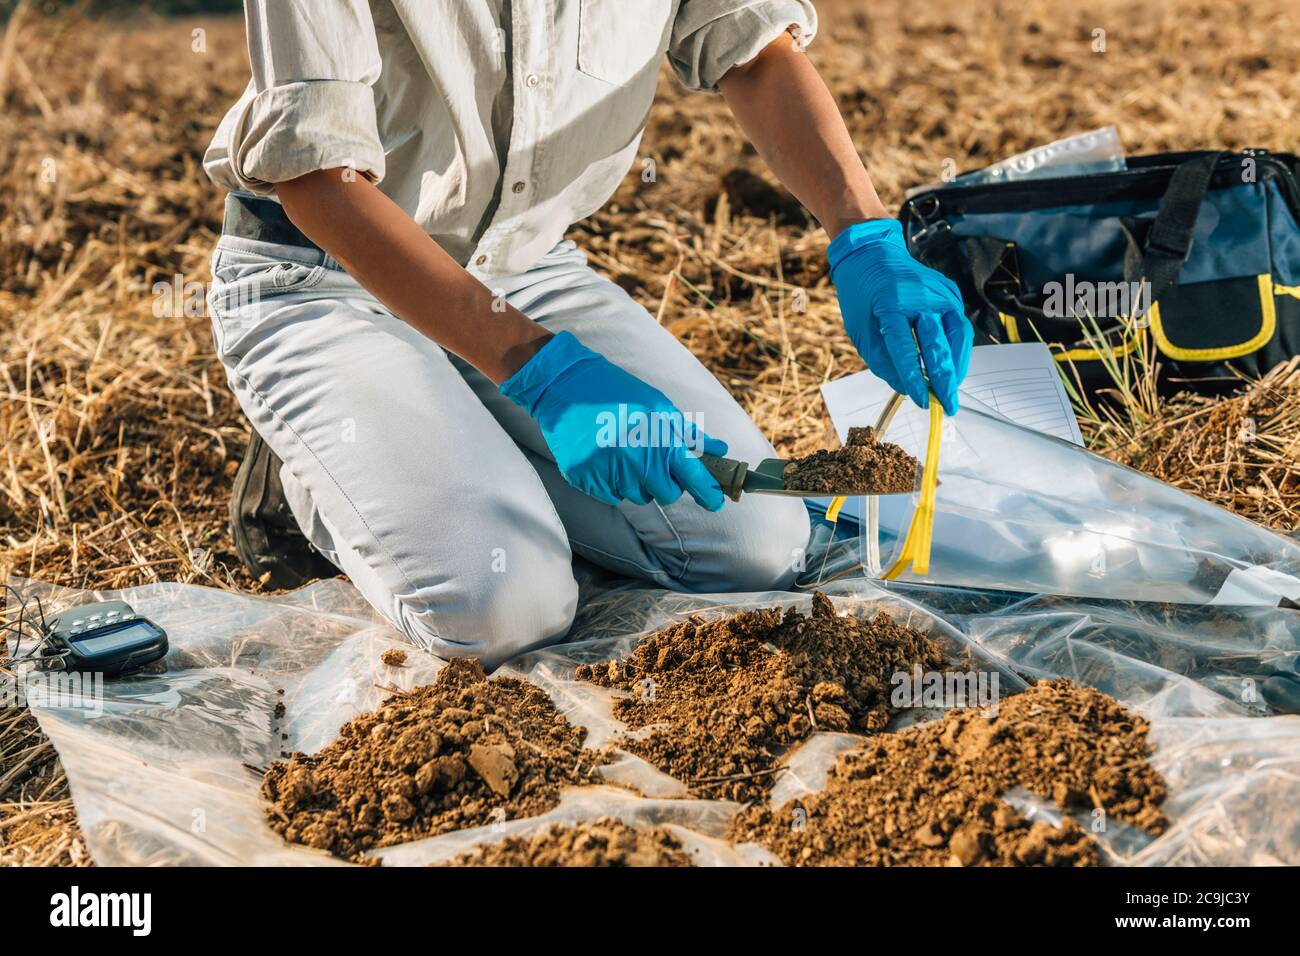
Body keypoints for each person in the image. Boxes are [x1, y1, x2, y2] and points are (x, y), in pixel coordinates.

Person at [203, 1, 971, 668]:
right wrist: (545, 373)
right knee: (502, 610)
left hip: (521, 269)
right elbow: (315, 176)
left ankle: (462, 441)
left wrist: (865, 237)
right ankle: (310, 474)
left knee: (758, 547)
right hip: (329, 276)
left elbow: (755, 47)